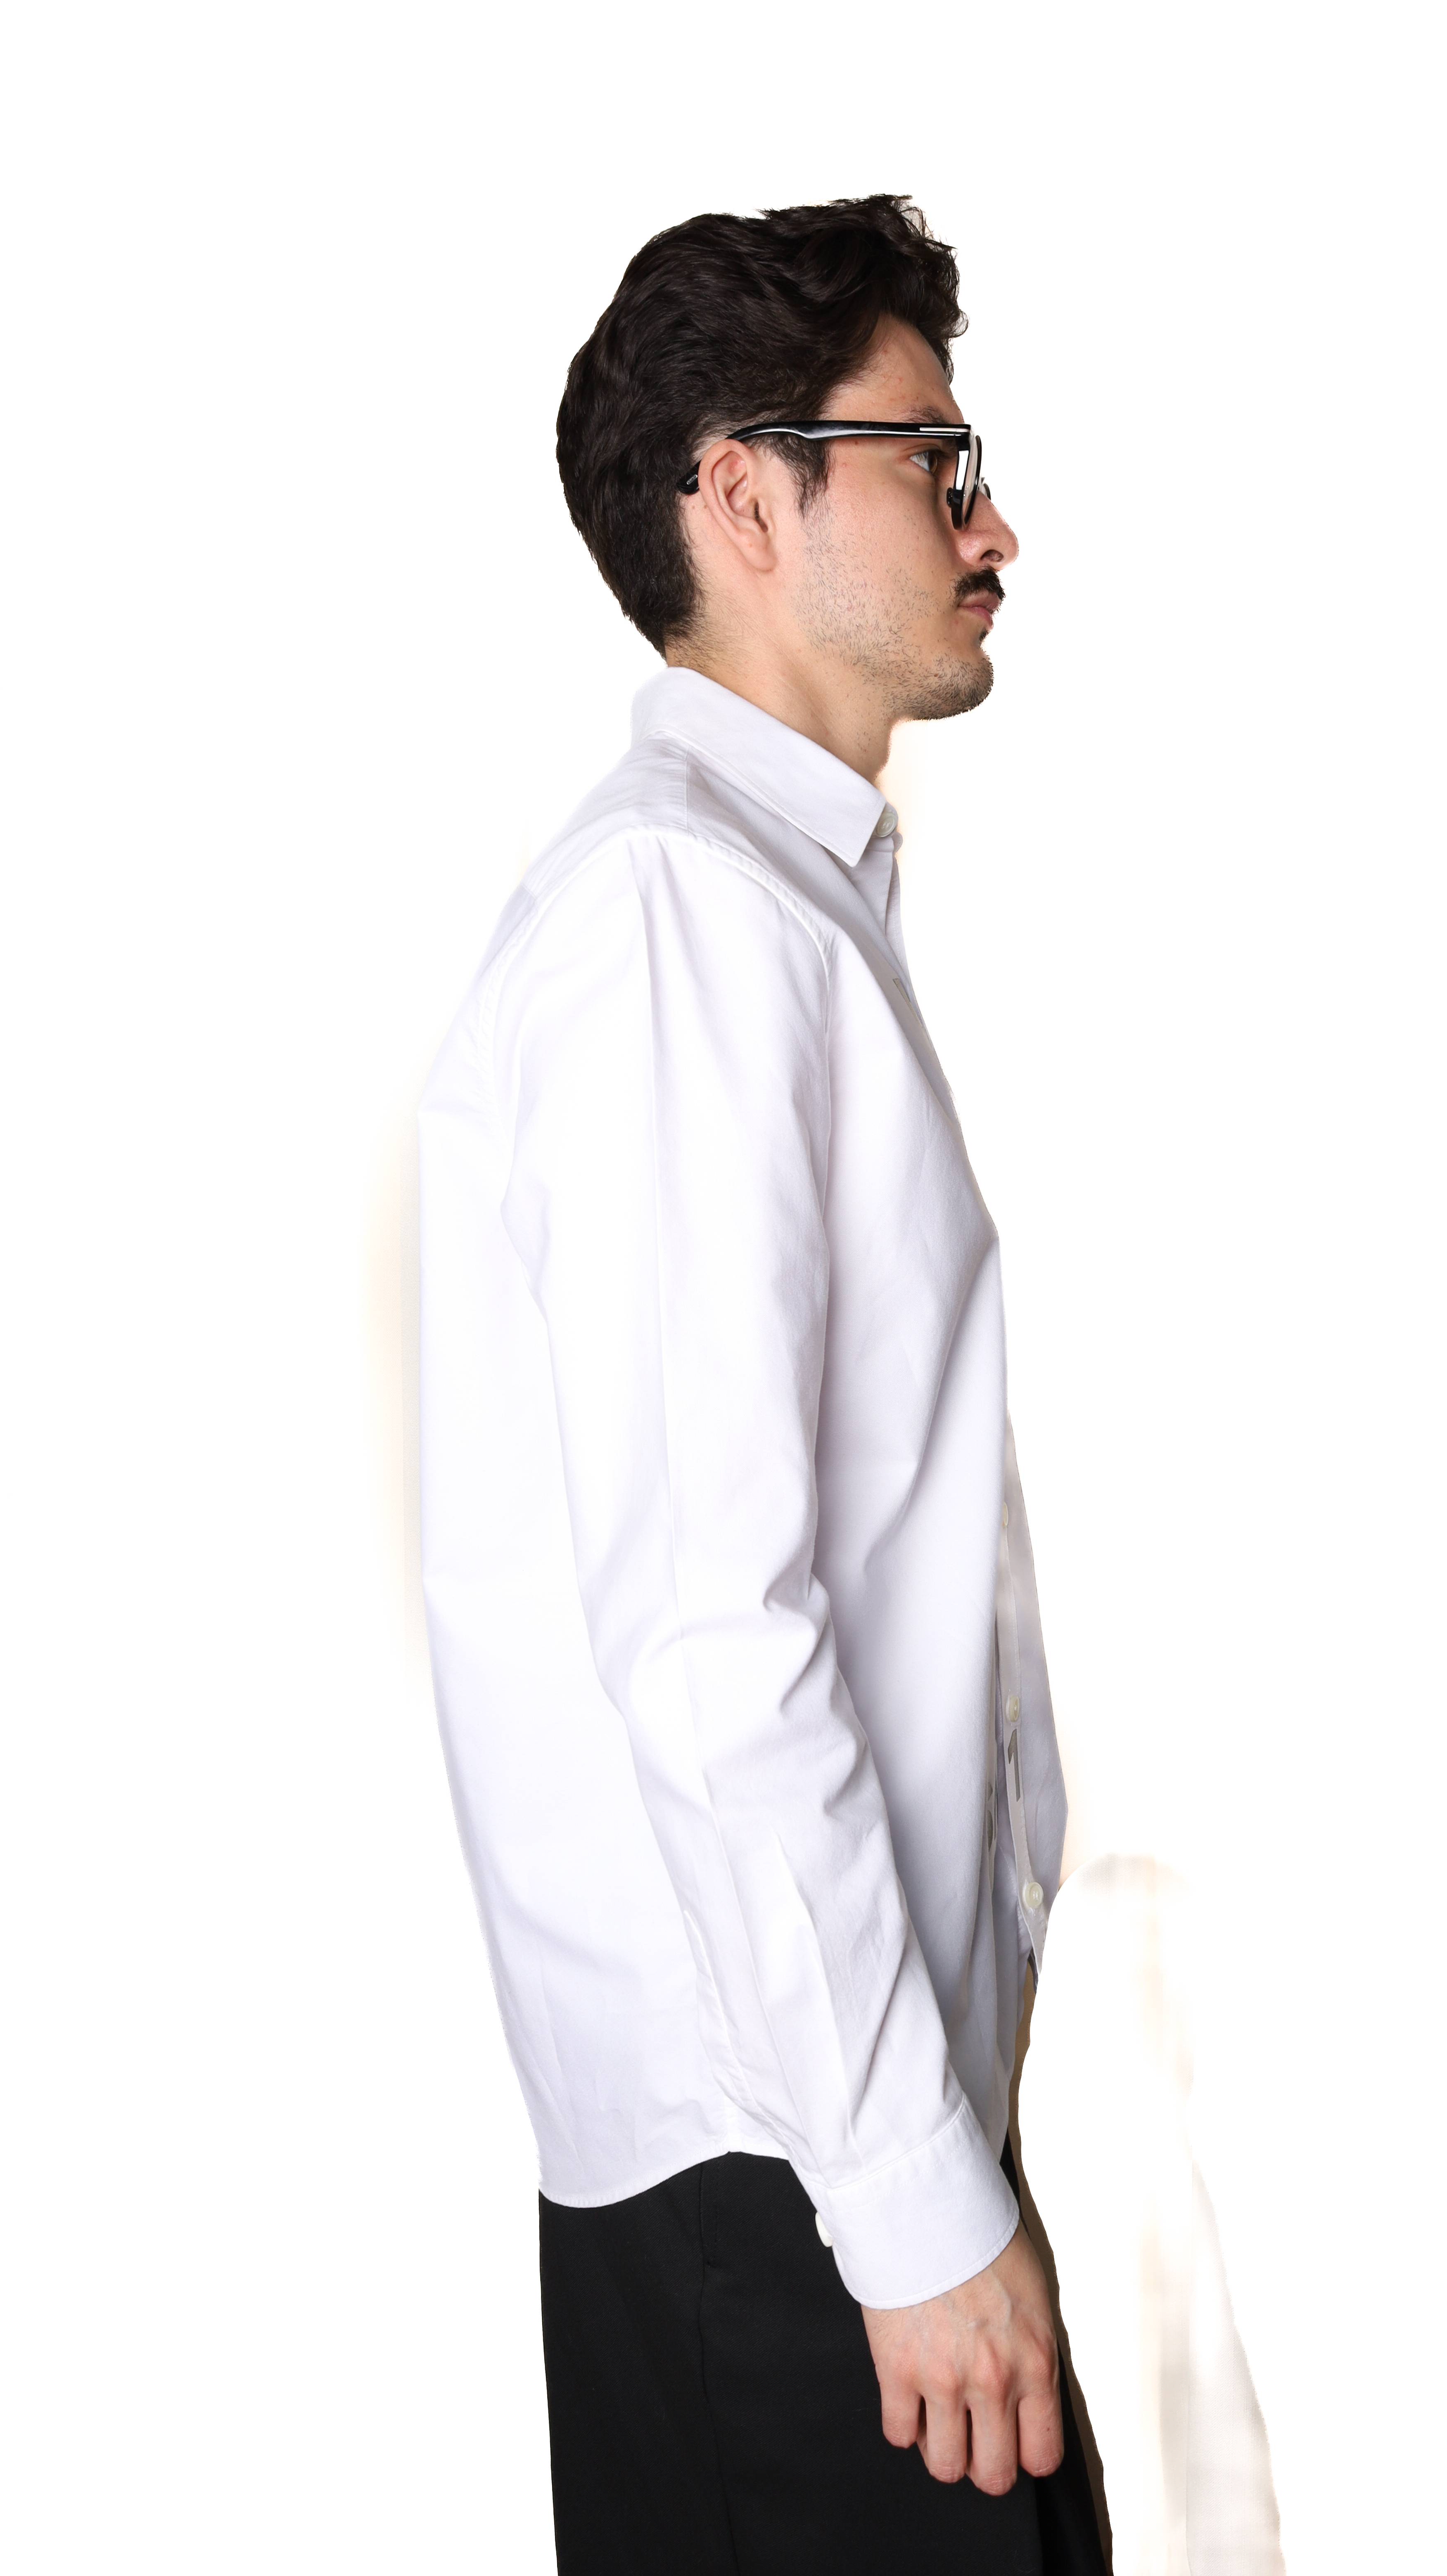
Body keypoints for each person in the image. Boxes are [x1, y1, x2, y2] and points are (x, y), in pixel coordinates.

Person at [419, 194, 1105, 2574]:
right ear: (745, 494)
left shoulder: (762, 903)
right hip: (793, 2186)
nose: (994, 527)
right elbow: (713, 1636)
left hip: (817, 2154)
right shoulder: (680, 921)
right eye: (938, 459)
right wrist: (908, 2192)